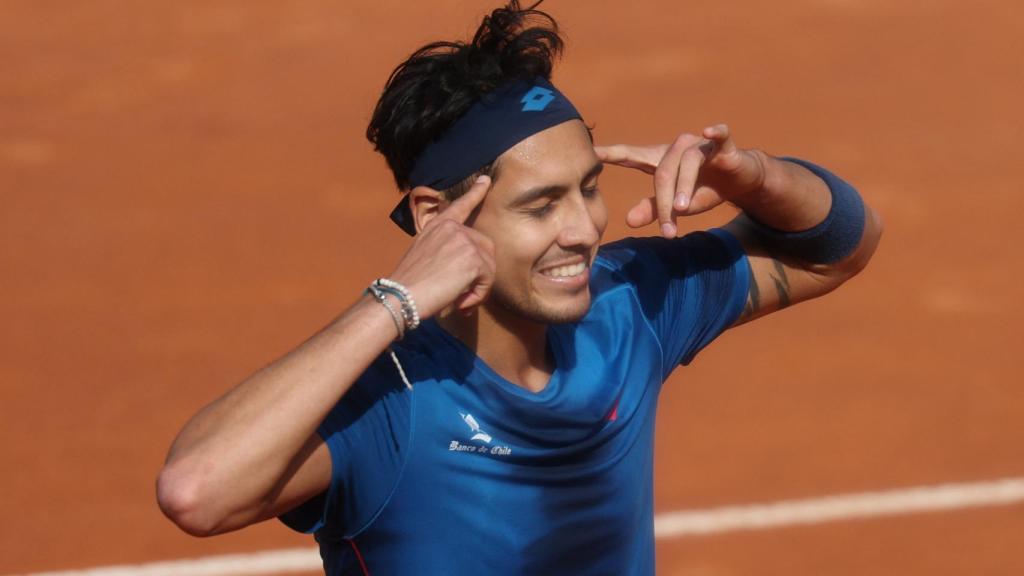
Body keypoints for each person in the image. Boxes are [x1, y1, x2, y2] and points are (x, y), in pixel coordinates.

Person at [156, 2, 882, 574]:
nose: (584, 228)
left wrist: (748, 175)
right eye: (541, 205)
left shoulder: (626, 308)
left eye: (588, 189)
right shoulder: (388, 400)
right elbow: (197, 492)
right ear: (436, 215)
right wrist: (394, 302)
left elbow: (837, 248)